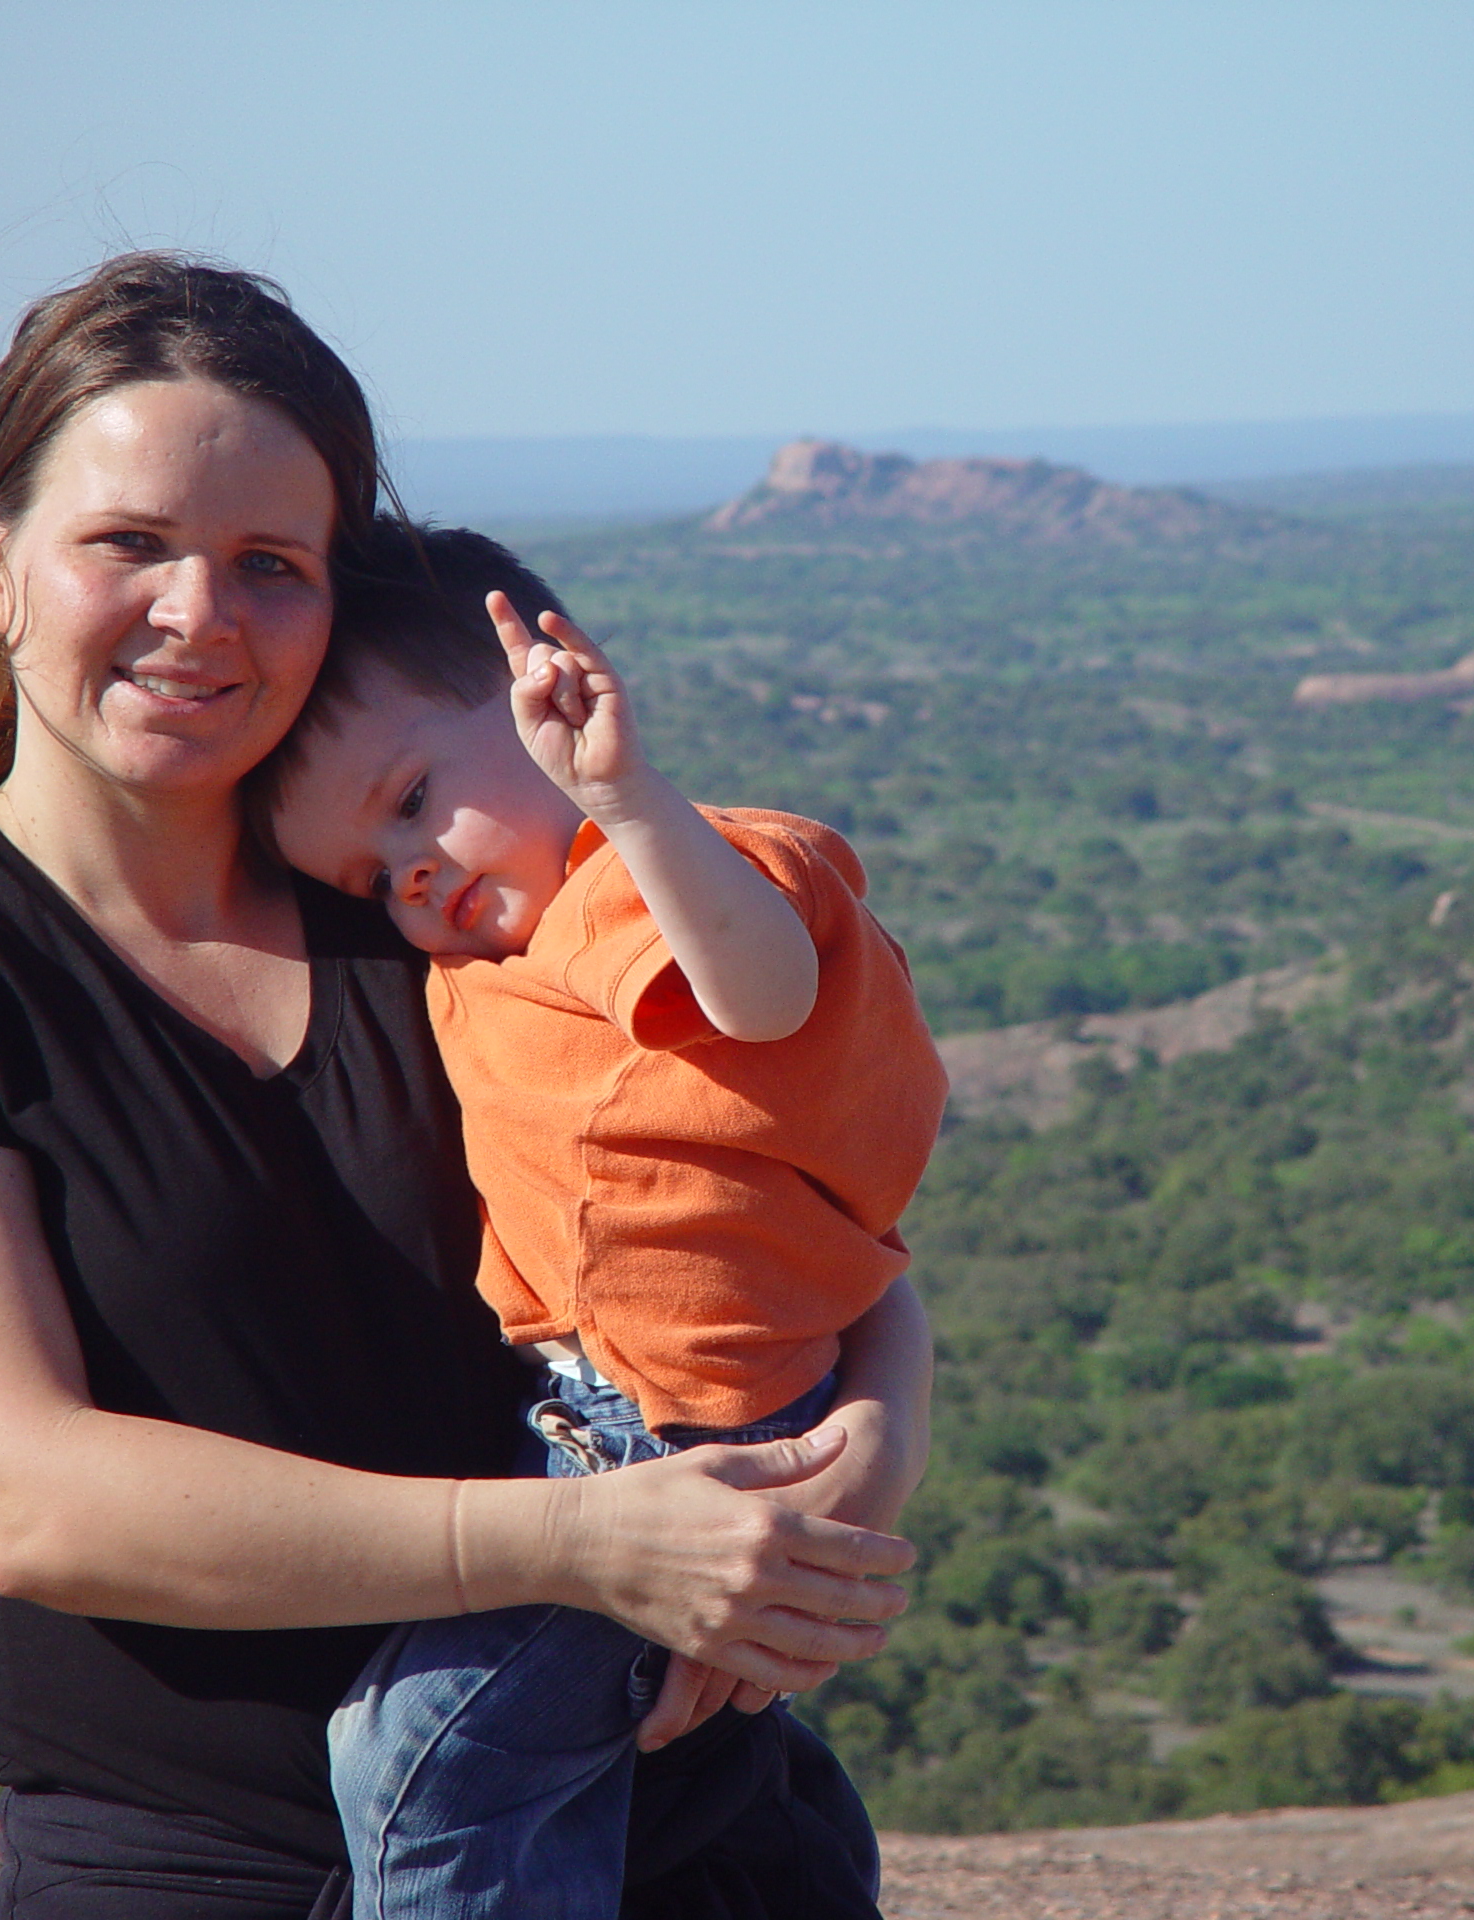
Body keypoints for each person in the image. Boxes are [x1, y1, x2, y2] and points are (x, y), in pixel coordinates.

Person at [0, 251, 930, 1920]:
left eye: (268, 564)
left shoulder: (440, 902)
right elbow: (29, 1501)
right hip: (201, 1873)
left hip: (687, 1841)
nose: (201, 616)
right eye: (128, 544)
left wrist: (858, 1451)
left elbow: (772, 1184)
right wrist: (590, 1549)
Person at [260, 527, 946, 1920]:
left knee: (420, 1758)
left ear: (557, 692)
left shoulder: (646, 880)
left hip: (679, 1433)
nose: (408, 878)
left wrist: (625, 797)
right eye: (365, 877)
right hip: (617, 1417)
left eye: (412, 800)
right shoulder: (503, 955)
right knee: (562, 1746)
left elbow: (756, 992)